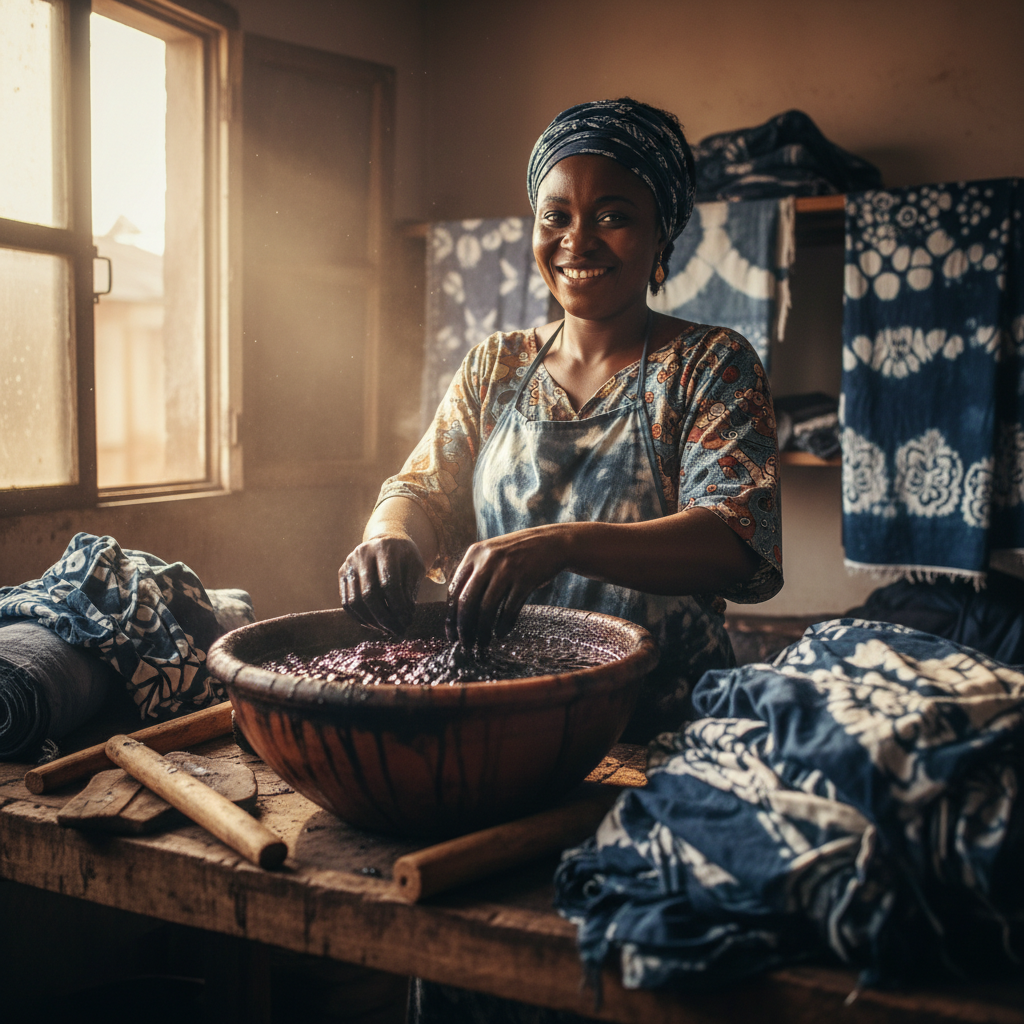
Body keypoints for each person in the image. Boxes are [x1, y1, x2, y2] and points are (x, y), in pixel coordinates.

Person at [339, 98, 782, 742]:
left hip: (656, 724)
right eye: (557, 216)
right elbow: (419, 492)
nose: (577, 241)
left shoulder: (710, 364)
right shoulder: (497, 365)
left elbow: (732, 540)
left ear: (663, 236)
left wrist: (563, 544)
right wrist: (390, 539)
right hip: (501, 712)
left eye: (613, 216)